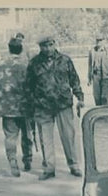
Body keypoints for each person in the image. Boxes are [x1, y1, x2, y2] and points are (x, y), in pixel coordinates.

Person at [25, 34, 85, 180]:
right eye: (44, 46)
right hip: (43, 106)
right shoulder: (34, 63)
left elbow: (74, 79)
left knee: (68, 136)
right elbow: (28, 86)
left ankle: (73, 165)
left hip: (63, 104)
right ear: (40, 47)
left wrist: (80, 97)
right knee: (46, 139)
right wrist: (31, 105)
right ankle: (49, 168)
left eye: (50, 45)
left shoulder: (65, 60)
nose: (48, 48)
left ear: (55, 44)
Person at [0, 38, 36, 177]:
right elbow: (33, 86)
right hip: (25, 106)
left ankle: (12, 161)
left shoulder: (0, 65)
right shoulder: (27, 64)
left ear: (8, 48)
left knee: (10, 136)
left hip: (7, 107)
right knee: (27, 135)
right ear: (21, 48)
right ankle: (27, 160)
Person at [87, 34, 108, 106]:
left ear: (104, 41)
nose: (98, 42)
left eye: (100, 40)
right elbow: (90, 65)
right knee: (97, 97)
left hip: (106, 77)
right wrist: (89, 78)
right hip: (96, 76)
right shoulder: (92, 51)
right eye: (97, 40)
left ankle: (106, 114)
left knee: (104, 97)